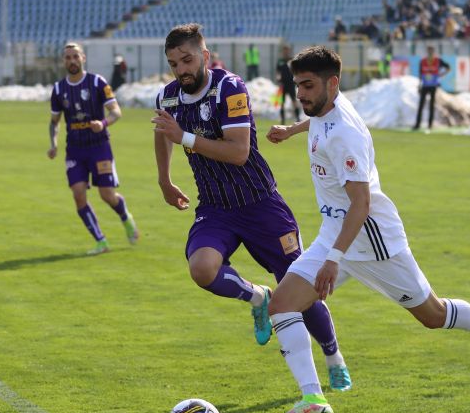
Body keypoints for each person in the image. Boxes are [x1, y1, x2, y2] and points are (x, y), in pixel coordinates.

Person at [264, 45, 470, 413]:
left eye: (307, 86)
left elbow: (361, 203)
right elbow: (322, 123)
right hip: (335, 234)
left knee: (433, 316)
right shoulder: (328, 109)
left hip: (372, 241)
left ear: (332, 83)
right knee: (282, 305)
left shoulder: (346, 135)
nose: (300, 94)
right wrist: (293, 129)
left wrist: (333, 258)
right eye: (297, 85)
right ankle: (312, 399)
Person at [151, 24, 350, 393]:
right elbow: (163, 132)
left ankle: (333, 356)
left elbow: (239, 152)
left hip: (261, 205)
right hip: (216, 208)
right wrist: (164, 179)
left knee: (301, 289)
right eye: (174, 63)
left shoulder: (230, 88)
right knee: (202, 269)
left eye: (188, 59)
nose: (181, 70)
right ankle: (260, 297)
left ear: (205, 56)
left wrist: (185, 137)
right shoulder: (168, 97)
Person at [47, 42, 139, 255]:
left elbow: (116, 111)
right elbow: (54, 121)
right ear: (64, 61)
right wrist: (53, 144)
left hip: (99, 147)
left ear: (83, 58)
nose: (72, 61)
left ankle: (125, 217)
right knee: (78, 194)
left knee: (107, 195)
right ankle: (101, 241)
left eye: (75, 57)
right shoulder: (59, 89)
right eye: (68, 57)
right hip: (75, 149)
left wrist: (103, 123)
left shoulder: (97, 82)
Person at [413, 45, 450, 130]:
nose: (430, 52)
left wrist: (441, 75)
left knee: (432, 105)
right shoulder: (423, 61)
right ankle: (417, 124)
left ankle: (430, 124)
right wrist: (419, 84)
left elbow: (448, 67)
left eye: (431, 51)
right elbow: (420, 73)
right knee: (421, 105)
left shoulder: (437, 61)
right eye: (429, 51)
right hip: (425, 85)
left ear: (433, 52)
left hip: (433, 85)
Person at [275, 43, 301, 124]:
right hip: (282, 85)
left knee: (294, 101)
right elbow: (278, 72)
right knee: (282, 102)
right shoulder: (280, 61)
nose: (285, 52)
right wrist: (278, 78)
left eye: (287, 50)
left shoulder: (292, 60)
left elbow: (296, 71)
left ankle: (297, 118)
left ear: (289, 51)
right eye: (284, 50)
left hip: (291, 84)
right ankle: (283, 120)